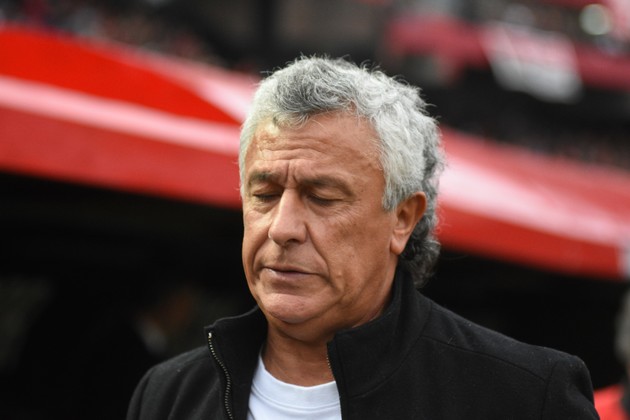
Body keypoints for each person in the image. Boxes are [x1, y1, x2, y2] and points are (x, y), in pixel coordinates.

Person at [127, 56, 598, 419]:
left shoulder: (526, 397)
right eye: (264, 194)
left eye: (322, 198)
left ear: (403, 219)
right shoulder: (168, 396)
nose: (283, 228)